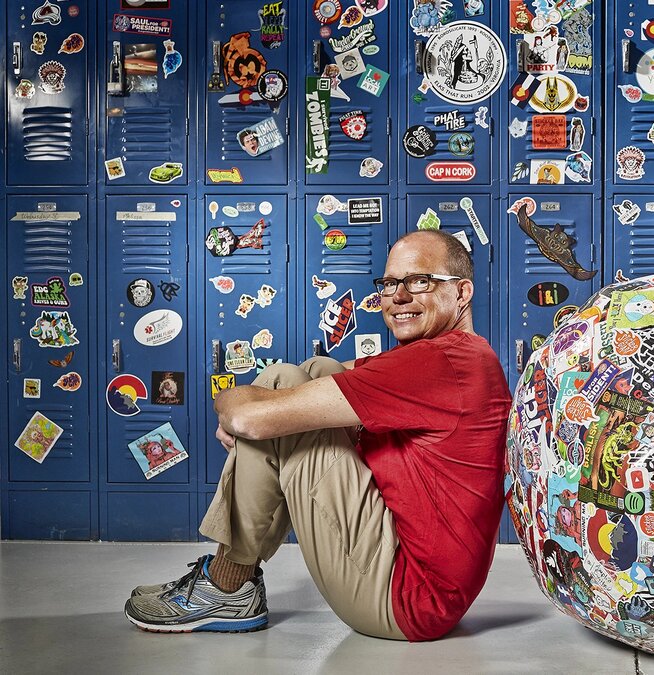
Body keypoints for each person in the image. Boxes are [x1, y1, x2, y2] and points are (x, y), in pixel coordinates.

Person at [124, 230, 512, 641]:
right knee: (311, 373)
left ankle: (227, 585)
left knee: (282, 397)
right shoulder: (459, 355)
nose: (398, 296)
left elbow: (250, 418)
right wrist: (249, 415)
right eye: (389, 283)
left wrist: (232, 410)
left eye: (419, 281)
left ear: (461, 292)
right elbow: (321, 375)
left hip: (406, 596)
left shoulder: (441, 362)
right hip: (427, 581)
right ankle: (233, 581)